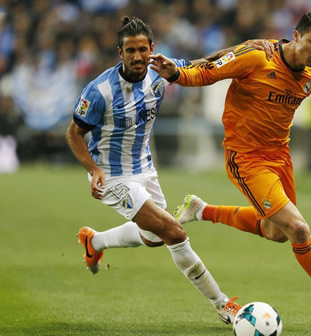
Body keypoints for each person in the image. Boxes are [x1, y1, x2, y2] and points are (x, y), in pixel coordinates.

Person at [150, 11, 311, 332]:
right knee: (299, 230)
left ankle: (204, 211)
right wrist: (177, 73)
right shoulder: (257, 56)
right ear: (297, 36)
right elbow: (207, 72)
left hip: (280, 156)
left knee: (278, 233)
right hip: (245, 158)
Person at [65, 16, 274, 325]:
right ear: (119, 53)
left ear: (152, 48)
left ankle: (93, 242)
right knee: (174, 232)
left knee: (153, 237)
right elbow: (73, 133)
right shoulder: (100, 92)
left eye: (141, 49)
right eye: (129, 51)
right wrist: (93, 169)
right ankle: (223, 305)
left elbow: (203, 63)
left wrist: (243, 49)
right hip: (112, 176)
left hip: (144, 169)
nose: (137, 57)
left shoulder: (159, 70)